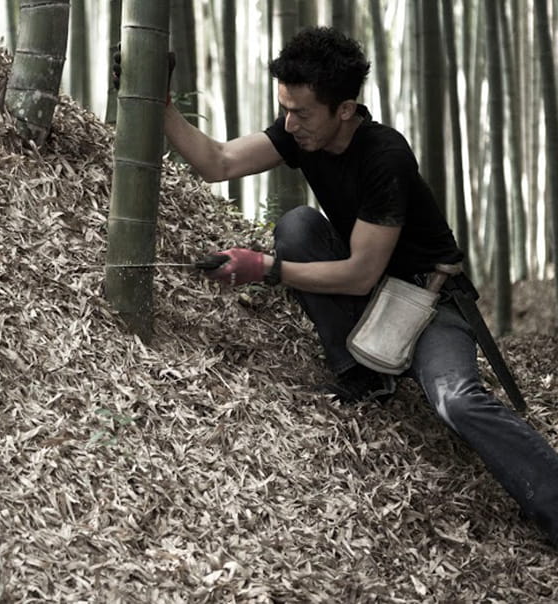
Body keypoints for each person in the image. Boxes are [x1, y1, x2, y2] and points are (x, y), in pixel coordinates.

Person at [114, 26, 558, 546]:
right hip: (369, 293)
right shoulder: (303, 133)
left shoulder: (384, 155)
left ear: (344, 109)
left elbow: (361, 272)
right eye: (285, 108)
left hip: (428, 299)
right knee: (299, 226)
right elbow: (220, 163)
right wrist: (160, 105)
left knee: (456, 399)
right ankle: (363, 374)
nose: (289, 123)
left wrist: (264, 269)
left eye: (301, 112)